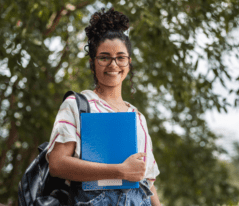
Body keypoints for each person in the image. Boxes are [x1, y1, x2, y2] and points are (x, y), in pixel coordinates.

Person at [46, 7, 161, 206]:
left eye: (121, 57)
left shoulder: (137, 117)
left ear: (129, 62)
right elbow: (57, 164)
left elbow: (148, 182)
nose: (113, 65)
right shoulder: (77, 105)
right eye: (104, 57)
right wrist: (119, 170)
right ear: (93, 63)